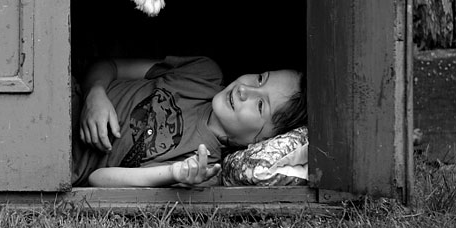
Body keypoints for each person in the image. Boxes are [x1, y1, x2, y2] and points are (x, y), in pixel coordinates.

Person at [72, 55, 306, 187]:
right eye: (259, 78)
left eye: (260, 105)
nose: (245, 89)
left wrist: (173, 173)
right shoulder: (203, 72)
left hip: (65, 159)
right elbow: (110, 64)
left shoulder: (199, 168)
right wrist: (96, 93)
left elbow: (98, 178)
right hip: (64, 97)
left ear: (262, 141)